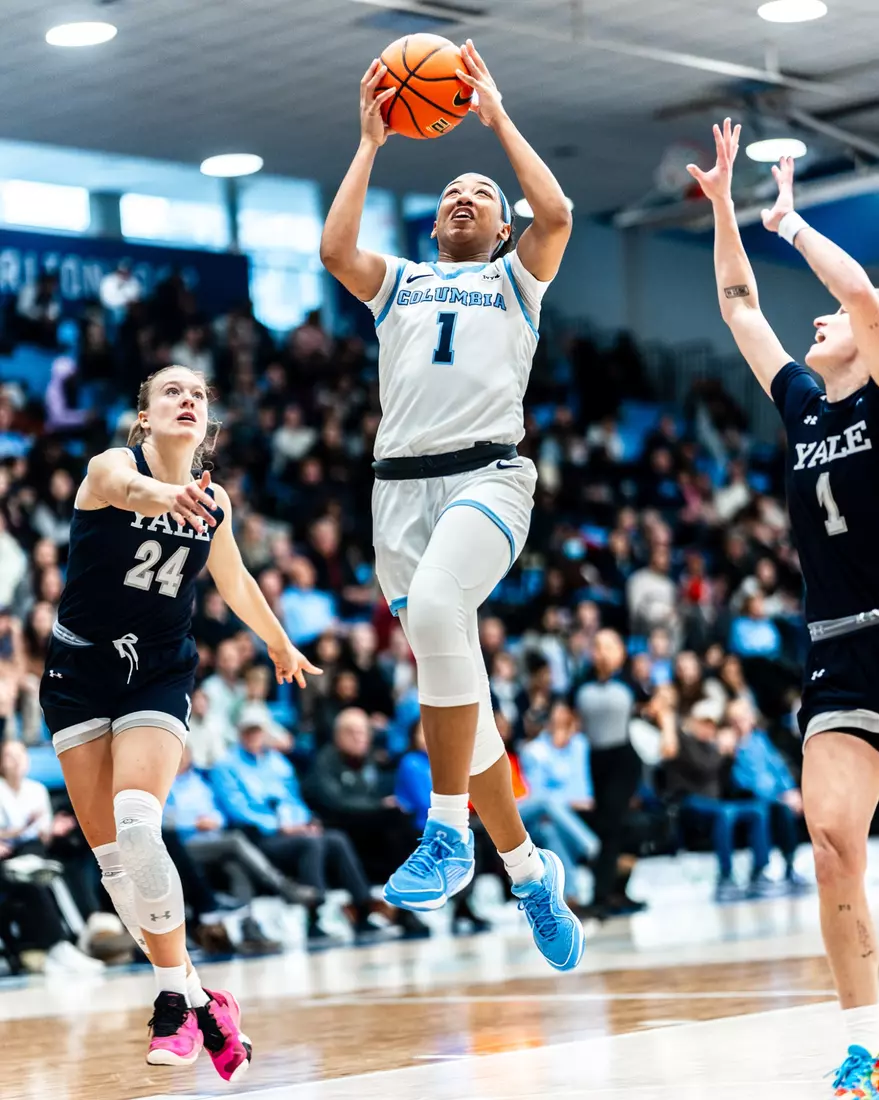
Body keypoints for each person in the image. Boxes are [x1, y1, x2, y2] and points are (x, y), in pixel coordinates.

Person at [320, 41, 583, 971]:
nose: (460, 197)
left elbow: (554, 209)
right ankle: (526, 872)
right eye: (447, 194)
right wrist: (371, 141)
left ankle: (448, 834)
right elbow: (334, 250)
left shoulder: (516, 278)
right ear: (432, 226)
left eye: (479, 194)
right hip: (397, 497)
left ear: (501, 230)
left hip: (488, 477)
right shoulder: (399, 281)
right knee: (466, 708)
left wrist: (495, 116)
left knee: (437, 618)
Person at [37, 363, 320, 1078]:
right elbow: (136, 493)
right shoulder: (111, 466)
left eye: (197, 393)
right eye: (172, 391)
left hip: (157, 673)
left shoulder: (214, 500)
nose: (187, 399)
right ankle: (203, 997)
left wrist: (279, 640)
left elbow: (235, 579)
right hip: (78, 675)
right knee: (116, 870)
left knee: (138, 826)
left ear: (207, 421)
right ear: (145, 417)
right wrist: (171, 494)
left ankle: (171, 1003)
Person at [691, 117, 879, 1094]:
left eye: (829, 322)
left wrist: (793, 221)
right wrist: (725, 207)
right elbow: (736, 304)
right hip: (839, 651)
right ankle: (867, 1040)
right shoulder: (807, 404)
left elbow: (864, 295)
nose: (818, 320)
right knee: (833, 839)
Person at [575, 630, 645, 918]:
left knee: (612, 827)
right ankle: (615, 890)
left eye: (607, 646)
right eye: (597, 646)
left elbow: (655, 704)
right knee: (612, 827)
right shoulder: (582, 681)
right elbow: (568, 714)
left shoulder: (628, 681)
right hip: (594, 760)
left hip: (623, 759)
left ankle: (602, 894)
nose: (600, 652)